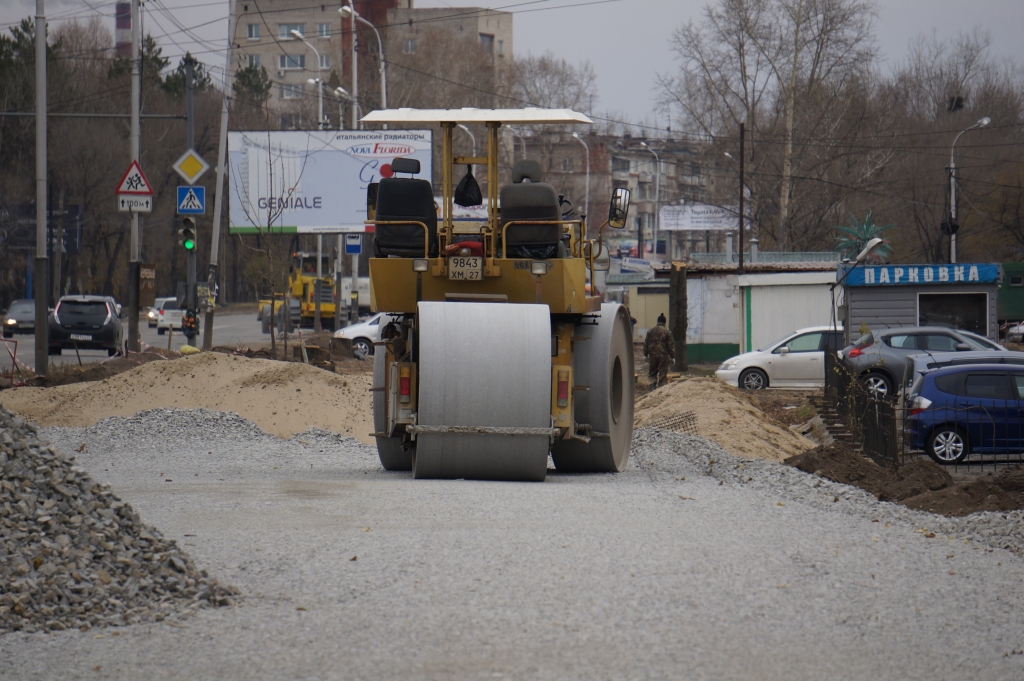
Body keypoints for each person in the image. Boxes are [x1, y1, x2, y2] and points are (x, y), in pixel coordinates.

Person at [644, 313, 674, 388]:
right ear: (664, 322)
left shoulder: (650, 331)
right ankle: (661, 389)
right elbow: (671, 345)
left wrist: (645, 354)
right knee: (662, 373)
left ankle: (652, 387)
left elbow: (646, 343)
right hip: (663, 355)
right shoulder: (667, 332)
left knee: (652, 372)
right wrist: (672, 356)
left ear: (657, 321)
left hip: (652, 355)